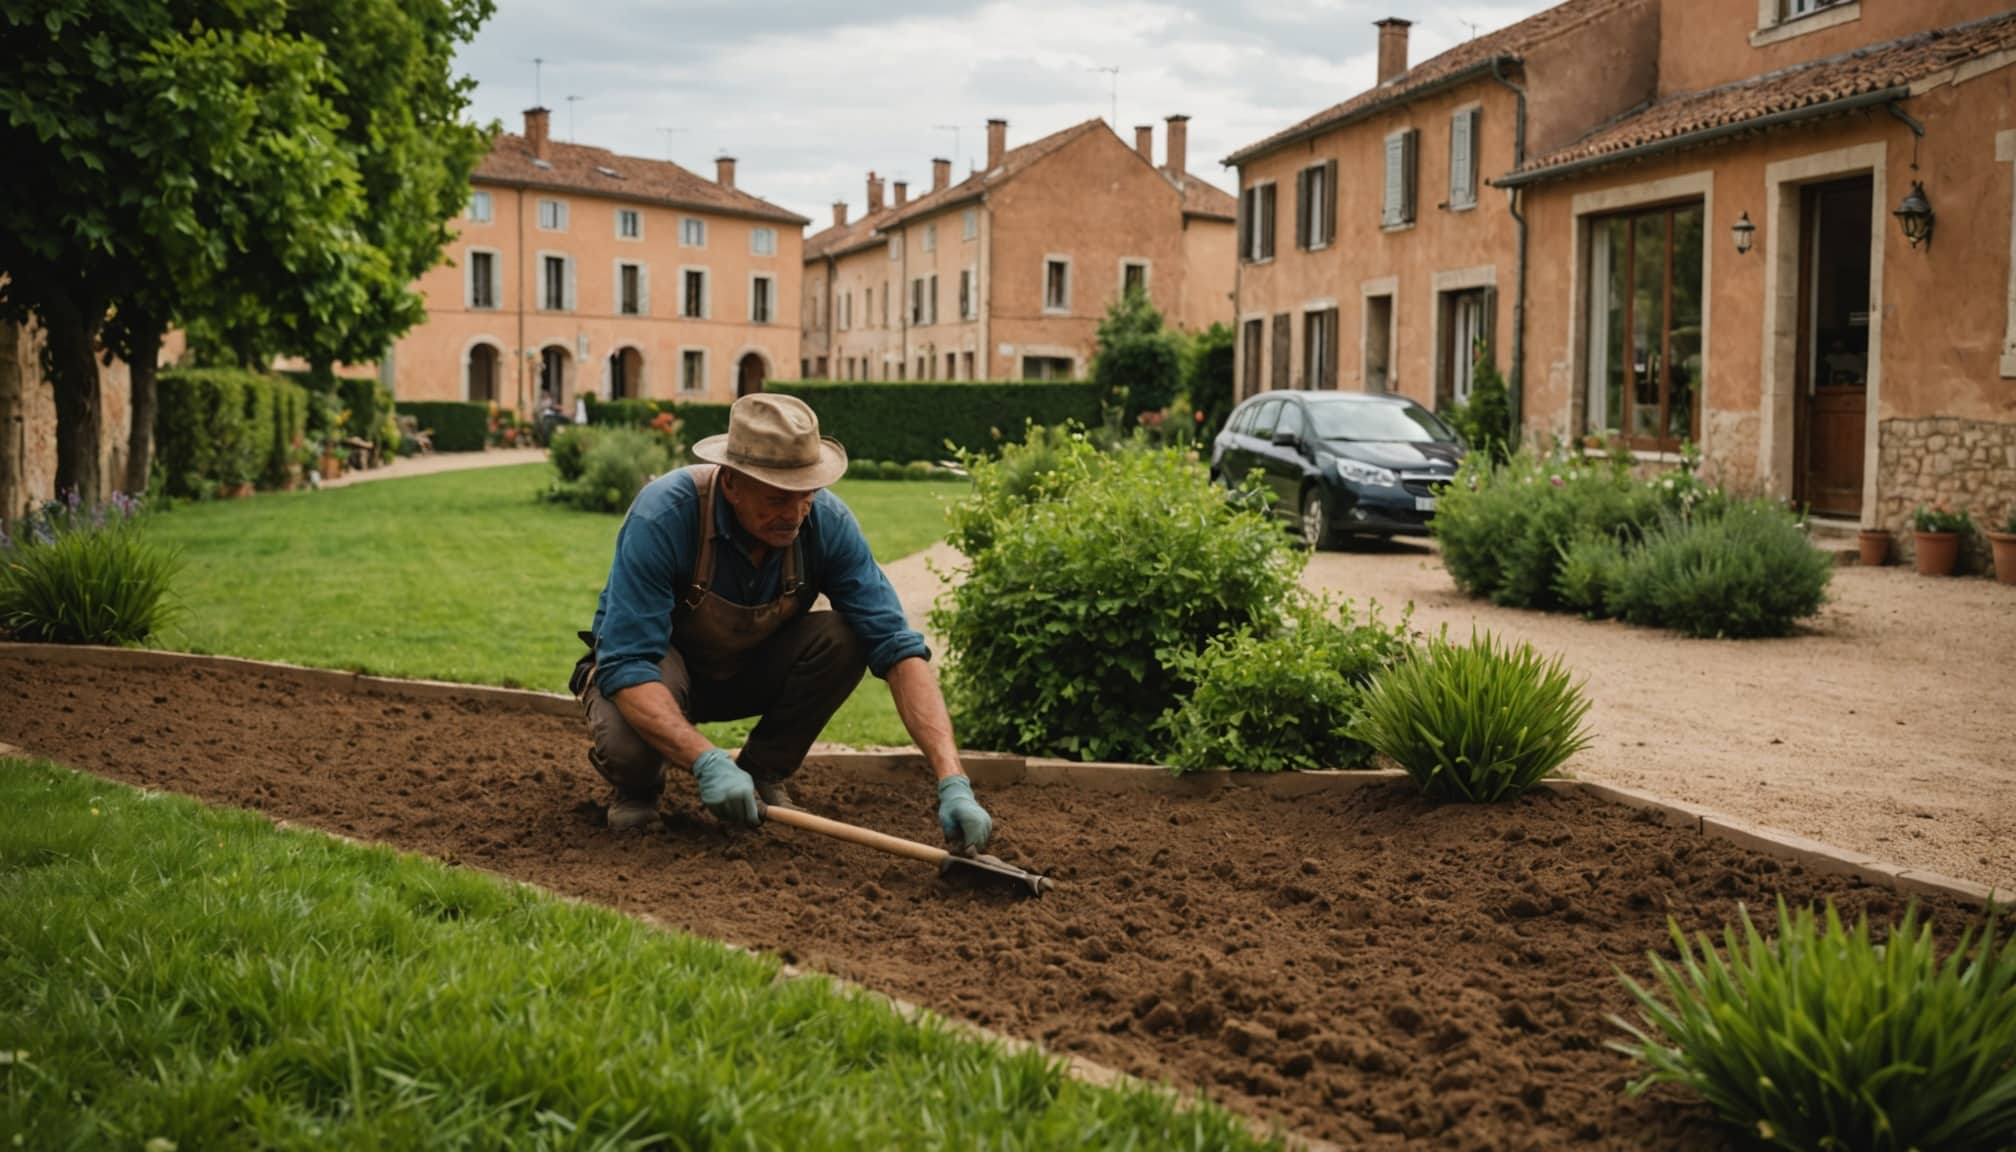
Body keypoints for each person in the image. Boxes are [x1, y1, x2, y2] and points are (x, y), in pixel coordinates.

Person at [570, 393, 992, 850]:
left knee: (846, 635)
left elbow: (898, 647)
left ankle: (761, 772)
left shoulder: (825, 523)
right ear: (731, 482)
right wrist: (706, 761)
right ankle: (638, 786)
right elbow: (629, 665)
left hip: (746, 670)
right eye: (776, 498)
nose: (794, 515)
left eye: (806, 494)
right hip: (657, 675)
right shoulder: (665, 516)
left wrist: (953, 779)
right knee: (628, 748)